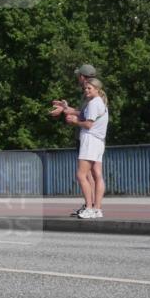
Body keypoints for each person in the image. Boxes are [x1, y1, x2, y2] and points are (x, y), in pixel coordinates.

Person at [51, 64, 98, 216]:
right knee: (90, 173)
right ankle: (90, 205)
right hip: (86, 137)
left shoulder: (90, 95)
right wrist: (65, 108)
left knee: (87, 174)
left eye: (79, 76)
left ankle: (91, 206)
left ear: (83, 77)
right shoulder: (89, 93)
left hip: (88, 137)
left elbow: (86, 116)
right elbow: (82, 112)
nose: (78, 79)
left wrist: (72, 118)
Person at [65, 77, 109, 218]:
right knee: (97, 175)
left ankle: (89, 208)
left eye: (89, 88)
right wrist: (67, 109)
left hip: (90, 140)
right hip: (99, 141)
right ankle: (97, 209)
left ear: (97, 89)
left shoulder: (93, 103)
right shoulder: (100, 102)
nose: (86, 90)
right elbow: (84, 115)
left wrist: (75, 121)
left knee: (81, 175)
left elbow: (88, 124)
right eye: (85, 88)